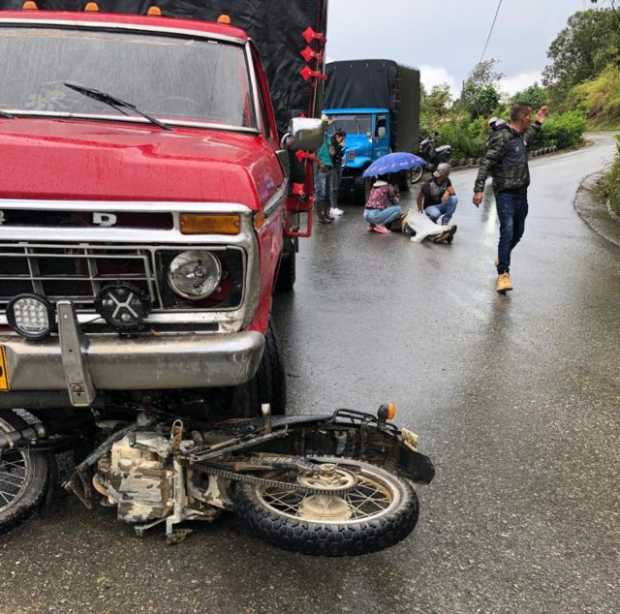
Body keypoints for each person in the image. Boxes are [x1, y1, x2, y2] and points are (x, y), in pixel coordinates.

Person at [473, 104, 549, 293]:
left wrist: (539, 121)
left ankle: (502, 256)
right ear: (522, 118)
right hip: (505, 193)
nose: (530, 119)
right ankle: (503, 274)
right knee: (507, 230)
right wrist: (479, 189)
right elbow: (486, 163)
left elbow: (529, 136)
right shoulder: (501, 137)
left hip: (521, 193)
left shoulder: (521, 137)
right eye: (530, 116)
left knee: (518, 231)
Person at [314, 134, 334, 224]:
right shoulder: (315, 136)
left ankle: (326, 214)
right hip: (320, 167)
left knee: (328, 193)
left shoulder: (327, 136)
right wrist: (319, 163)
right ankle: (321, 216)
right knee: (320, 192)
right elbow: (313, 152)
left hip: (328, 166)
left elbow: (331, 151)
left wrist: (332, 149)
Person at [329, 129, 346, 217]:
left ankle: (335, 206)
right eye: (341, 138)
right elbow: (332, 154)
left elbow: (340, 155)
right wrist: (339, 147)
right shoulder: (332, 143)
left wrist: (342, 149)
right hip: (333, 167)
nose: (342, 140)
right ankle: (333, 207)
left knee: (336, 187)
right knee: (333, 187)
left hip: (338, 165)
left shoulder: (337, 143)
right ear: (337, 136)